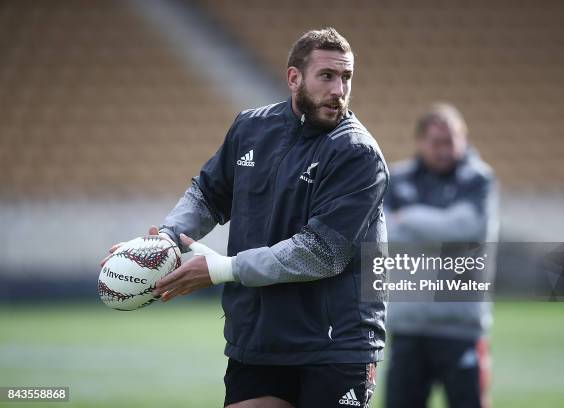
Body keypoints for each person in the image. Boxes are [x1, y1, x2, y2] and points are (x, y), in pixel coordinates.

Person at [102, 28, 388, 408]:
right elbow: (207, 194)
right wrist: (165, 241)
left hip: (335, 344)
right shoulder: (251, 127)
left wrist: (223, 269)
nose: (339, 89)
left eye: (346, 77)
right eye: (327, 76)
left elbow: (322, 251)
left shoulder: (356, 153)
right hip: (259, 339)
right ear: (294, 78)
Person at [383, 103, 498, 408]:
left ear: (464, 140)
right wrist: (439, 228)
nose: (444, 150)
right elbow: (381, 235)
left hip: (460, 325)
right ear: (420, 141)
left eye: (451, 142)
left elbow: (465, 228)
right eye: (436, 142)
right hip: (407, 324)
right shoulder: (396, 177)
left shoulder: (478, 178)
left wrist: (407, 218)